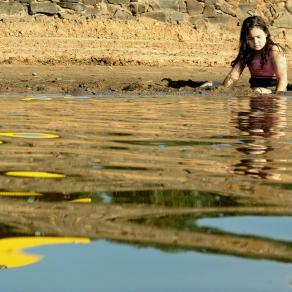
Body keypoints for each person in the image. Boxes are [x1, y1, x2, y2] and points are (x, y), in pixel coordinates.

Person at [223, 16, 288, 93]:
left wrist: (278, 98)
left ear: (266, 33)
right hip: (255, 92)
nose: (256, 42)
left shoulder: (274, 50)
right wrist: (223, 90)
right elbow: (233, 77)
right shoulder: (247, 52)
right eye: (250, 39)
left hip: (273, 90)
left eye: (258, 37)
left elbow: (282, 79)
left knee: (257, 91)